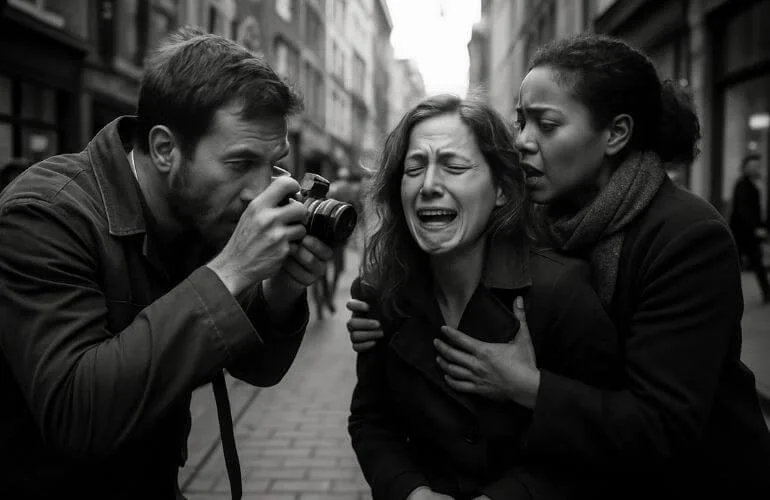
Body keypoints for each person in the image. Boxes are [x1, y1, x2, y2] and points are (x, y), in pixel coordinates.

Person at [348, 35, 770, 499]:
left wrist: (527, 385)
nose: (523, 142)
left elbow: (662, 425)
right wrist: (384, 310)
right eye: (520, 121)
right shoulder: (541, 215)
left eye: (546, 125)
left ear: (615, 134)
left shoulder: (687, 237)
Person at [0, 27, 332, 499]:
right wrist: (232, 269)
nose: (260, 192)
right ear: (164, 149)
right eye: (239, 164)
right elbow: (76, 413)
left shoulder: (197, 211)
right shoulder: (45, 215)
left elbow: (256, 370)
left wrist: (279, 293)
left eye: (274, 165)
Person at [348, 94, 624, 499]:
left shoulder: (558, 292)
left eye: (455, 167)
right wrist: (411, 492)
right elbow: (371, 421)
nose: (428, 186)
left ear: (500, 190)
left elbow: (606, 440)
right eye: (414, 168)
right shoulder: (379, 294)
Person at [729, 153, 769, 303]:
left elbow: (761, 209)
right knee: (735, 264)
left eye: (757, 166)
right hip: (742, 232)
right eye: (752, 166)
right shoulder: (742, 185)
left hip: (749, 231)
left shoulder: (758, 184)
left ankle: (766, 291)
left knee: (755, 262)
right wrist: (756, 227)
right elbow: (743, 210)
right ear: (745, 168)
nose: (755, 169)